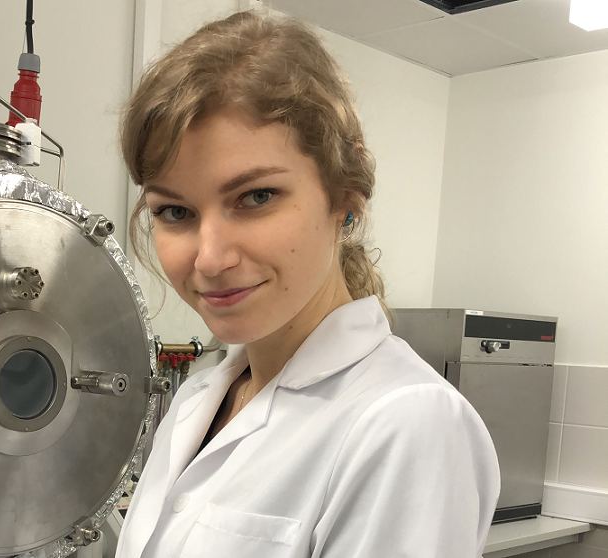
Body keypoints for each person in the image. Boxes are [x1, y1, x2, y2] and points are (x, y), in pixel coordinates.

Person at [115, 10, 500, 558]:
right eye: (174, 211)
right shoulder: (199, 400)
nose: (211, 258)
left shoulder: (407, 423)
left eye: (256, 197)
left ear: (345, 200)